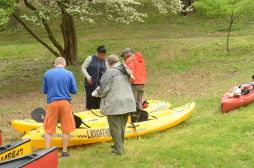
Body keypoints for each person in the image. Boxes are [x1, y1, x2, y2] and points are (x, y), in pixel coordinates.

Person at [92, 55, 136, 155]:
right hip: (127, 102)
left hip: (115, 103)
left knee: (115, 128)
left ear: (108, 63)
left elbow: (103, 90)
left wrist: (97, 93)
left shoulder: (110, 72)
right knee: (121, 127)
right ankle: (119, 145)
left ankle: (118, 150)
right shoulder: (125, 69)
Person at [42, 57, 77, 157]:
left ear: (55, 64)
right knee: (66, 128)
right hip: (65, 103)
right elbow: (74, 91)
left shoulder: (47, 73)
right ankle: (64, 151)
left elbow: (44, 90)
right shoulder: (69, 74)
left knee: (49, 129)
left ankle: (46, 152)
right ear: (64, 65)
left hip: (52, 103)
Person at [121, 48, 147, 122]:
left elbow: (130, 71)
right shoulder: (139, 59)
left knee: (133, 103)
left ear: (126, 53)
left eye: (124, 55)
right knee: (139, 102)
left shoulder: (130, 60)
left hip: (134, 83)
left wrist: (129, 81)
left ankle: (135, 120)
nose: (124, 57)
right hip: (142, 82)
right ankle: (141, 118)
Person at [81, 45, 107, 110]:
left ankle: (98, 113)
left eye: (103, 55)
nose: (102, 57)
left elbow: (107, 70)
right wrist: (88, 77)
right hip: (90, 84)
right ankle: (89, 112)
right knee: (90, 101)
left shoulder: (105, 61)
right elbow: (83, 68)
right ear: (97, 53)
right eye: (101, 55)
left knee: (98, 102)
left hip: (100, 85)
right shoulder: (90, 58)